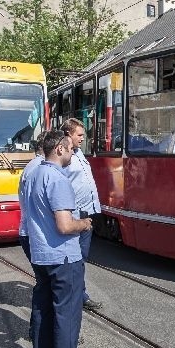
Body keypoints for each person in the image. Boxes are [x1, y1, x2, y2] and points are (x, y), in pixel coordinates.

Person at [24, 130, 92, 348]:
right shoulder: (57, 178)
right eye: (70, 148)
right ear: (60, 149)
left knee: (43, 309)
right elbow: (64, 226)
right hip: (63, 256)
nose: (74, 151)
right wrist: (84, 223)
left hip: (40, 254)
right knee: (67, 313)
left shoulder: (33, 173)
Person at [61, 118, 103, 311]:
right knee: (74, 259)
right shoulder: (64, 156)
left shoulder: (78, 154)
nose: (82, 138)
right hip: (75, 215)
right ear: (68, 134)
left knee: (81, 259)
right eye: (79, 134)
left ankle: (79, 293)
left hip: (88, 213)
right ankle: (75, 297)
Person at [18, 132, 47, 262]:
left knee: (45, 280)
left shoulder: (34, 165)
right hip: (36, 235)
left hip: (31, 233)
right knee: (47, 281)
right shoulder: (40, 167)